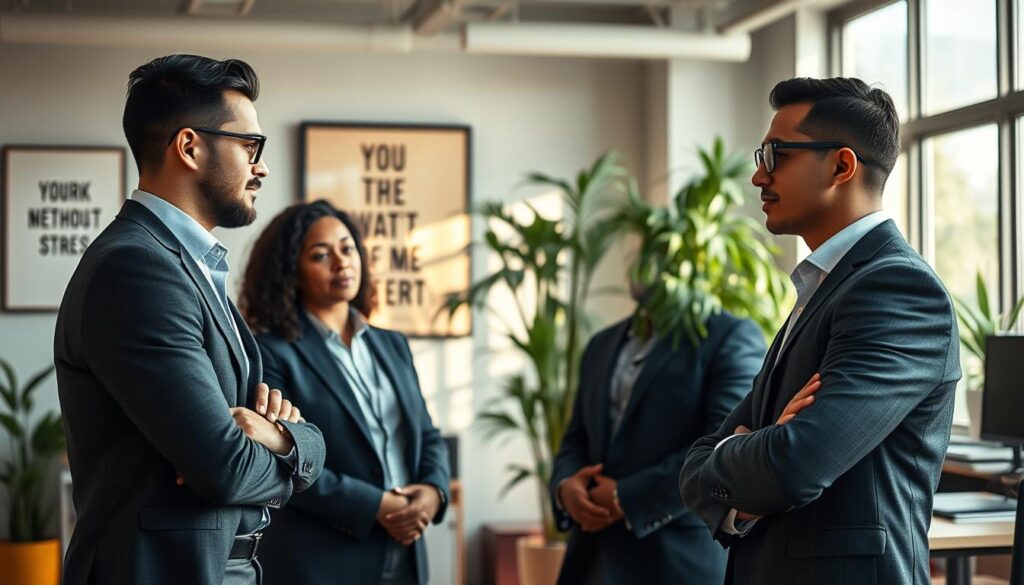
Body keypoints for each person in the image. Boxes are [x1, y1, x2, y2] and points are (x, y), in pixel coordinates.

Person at [54, 54, 325, 585]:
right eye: (250, 146)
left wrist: (285, 438)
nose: (261, 166)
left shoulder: (185, 265)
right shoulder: (137, 269)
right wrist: (284, 445)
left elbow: (272, 447)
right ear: (189, 146)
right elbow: (225, 470)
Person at [679, 77, 961, 585]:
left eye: (774, 155)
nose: (758, 177)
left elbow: (794, 466)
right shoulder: (823, 289)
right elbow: (694, 469)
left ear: (841, 165)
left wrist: (736, 453)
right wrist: (754, 452)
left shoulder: (896, 289)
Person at [239, 200, 450, 585]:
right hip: (322, 560)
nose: (341, 262)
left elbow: (427, 434)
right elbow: (283, 457)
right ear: (291, 272)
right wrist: (376, 506)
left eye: (347, 248)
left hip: (405, 551)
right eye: (321, 255)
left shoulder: (392, 345)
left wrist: (434, 493)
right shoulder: (270, 351)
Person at [549, 288, 765, 584]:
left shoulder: (728, 335)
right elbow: (576, 438)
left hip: (676, 562)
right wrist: (565, 487)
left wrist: (625, 498)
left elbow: (725, 446)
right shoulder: (601, 343)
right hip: (591, 557)